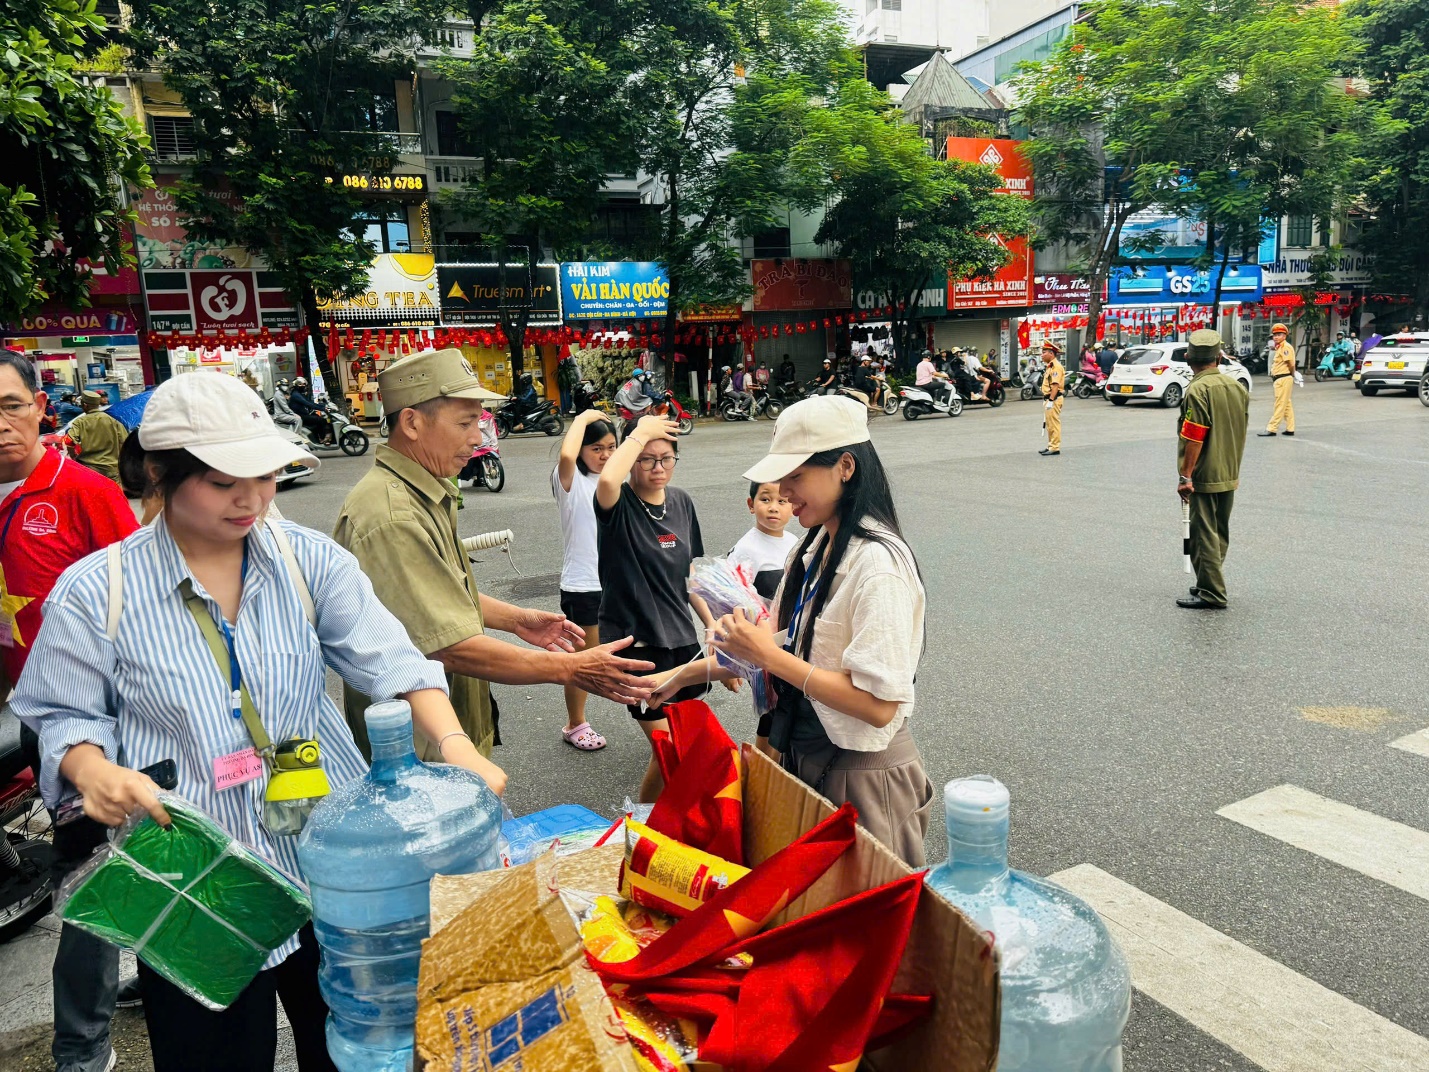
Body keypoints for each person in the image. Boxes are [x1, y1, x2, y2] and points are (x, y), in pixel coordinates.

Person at [13, 370, 505, 1072]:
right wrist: (92, 770)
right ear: (160, 473)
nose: (251, 498)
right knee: (213, 1056)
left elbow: (392, 658)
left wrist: (454, 743)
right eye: (223, 481)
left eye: (266, 475)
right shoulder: (98, 591)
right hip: (193, 872)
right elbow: (64, 710)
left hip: (332, 860)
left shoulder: (307, 561)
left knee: (356, 1047)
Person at [648, 396, 934, 866]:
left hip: (860, 776)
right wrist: (680, 676)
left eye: (796, 476)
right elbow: (772, 646)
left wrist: (769, 658)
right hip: (805, 759)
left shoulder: (878, 566)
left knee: (861, 927)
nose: (782, 489)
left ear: (845, 466)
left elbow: (879, 705)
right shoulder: (816, 545)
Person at [334, 349, 652, 763]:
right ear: (411, 422)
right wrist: (570, 668)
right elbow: (449, 645)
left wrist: (516, 618)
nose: (477, 438)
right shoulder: (390, 516)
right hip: (418, 751)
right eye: (466, 423)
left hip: (442, 733)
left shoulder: (422, 491)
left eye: (479, 423)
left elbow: (436, 599)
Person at [0, 352, 140, 1072]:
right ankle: (151, 970)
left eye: (10, 405)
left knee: (90, 872)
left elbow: (144, 596)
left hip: (107, 717)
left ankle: (81, 1048)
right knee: (116, 865)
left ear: (39, 408)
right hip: (31, 711)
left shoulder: (83, 493)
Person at [594, 412, 717, 803]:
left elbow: (689, 574)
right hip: (637, 642)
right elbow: (608, 479)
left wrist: (711, 624)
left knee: (681, 748)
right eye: (647, 459)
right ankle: (641, 829)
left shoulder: (681, 502)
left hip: (680, 639)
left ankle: (665, 825)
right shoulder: (618, 504)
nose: (658, 467)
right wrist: (641, 431)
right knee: (670, 750)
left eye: (666, 458)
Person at [552, 410, 619, 752]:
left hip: (616, 583)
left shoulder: (614, 481)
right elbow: (566, 454)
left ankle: (657, 709)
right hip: (583, 586)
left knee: (633, 650)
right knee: (583, 660)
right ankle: (575, 723)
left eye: (610, 447)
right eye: (596, 448)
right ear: (580, 449)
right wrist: (581, 417)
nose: (605, 455)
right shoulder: (569, 481)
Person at [1176, 330, 1249, 609]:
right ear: (1219, 357)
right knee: (1218, 531)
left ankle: (1213, 593)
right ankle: (1209, 579)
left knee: (1203, 533)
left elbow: (1195, 436)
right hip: (1229, 469)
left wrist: (1186, 476)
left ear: (1188, 358)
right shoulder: (1236, 386)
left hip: (1204, 472)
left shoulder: (1198, 389)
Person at [66, 391, 128, 483]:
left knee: (92, 496)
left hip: (89, 469)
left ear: (85, 405)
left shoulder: (80, 422)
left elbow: (69, 441)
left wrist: (73, 456)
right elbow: (125, 443)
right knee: (114, 495)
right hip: (111, 469)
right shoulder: (113, 421)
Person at [1260, 322, 1296, 437]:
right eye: (1274, 335)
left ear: (1284, 336)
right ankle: (1290, 428)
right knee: (1286, 404)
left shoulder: (1286, 347)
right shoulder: (1280, 347)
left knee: (1279, 404)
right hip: (1280, 379)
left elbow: (1290, 363)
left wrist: (1293, 373)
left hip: (1283, 378)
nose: (1276, 337)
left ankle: (1272, 428)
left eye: (1279, 334)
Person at [287, 377, 331, 444]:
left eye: (304, 384)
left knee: (318, 417)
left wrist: (323, 406)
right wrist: (323, 408)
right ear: (296, 385)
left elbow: (310, 402)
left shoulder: (299, 394)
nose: (303, 386)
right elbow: (308, 404)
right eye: (300, 384)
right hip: (300, 415)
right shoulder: (296, 395)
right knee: (320, 420)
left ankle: (318, 437)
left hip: (303, 413)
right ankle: (322, 439)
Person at [1040, 340, 1065, 456]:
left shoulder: (1056, 367)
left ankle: (1055, 447)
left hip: (1053, 399)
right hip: (1049, 398)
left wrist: (1050, 400)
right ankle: (1051, 445)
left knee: (1053, 423)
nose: (1042, 355)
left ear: (1051, 353)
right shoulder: (1050, 366)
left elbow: (1055, 386)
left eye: (1044, 352)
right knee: (1049, 424)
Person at [557, 349, 581, 414]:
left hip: (563, 378)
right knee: (567, 393)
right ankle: (566, 408)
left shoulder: (560, 355)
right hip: (568, 379)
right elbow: (575, 368)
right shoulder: (569, 357)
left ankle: (565, 409)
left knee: (564, 393)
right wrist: (578, 378)